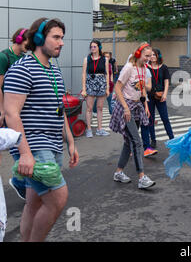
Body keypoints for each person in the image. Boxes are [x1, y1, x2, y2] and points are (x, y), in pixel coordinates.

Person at [3, 17, 79, 242]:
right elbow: (11, 114)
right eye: (56, 37)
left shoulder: (53, 71)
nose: (61, 42)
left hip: (53, 143)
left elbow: (59, 109)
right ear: (38, 38)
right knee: (58, 197)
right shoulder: (22, 68)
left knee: (34, 201)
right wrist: (25, 153)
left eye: (62, 38)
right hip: (34, 145)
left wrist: (71, 141)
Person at [109, 43, 156, 190]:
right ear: (138, 54)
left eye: (150, 56)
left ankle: (118, 172)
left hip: (137, 106)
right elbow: (117, 87)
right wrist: (125, 108)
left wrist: (145, 105)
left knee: (129, 143)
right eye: (146, 56)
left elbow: (142, 89)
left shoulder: (143, 69)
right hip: (126, 107)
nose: (149, 59)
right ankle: (142, 177)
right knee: (137, 141)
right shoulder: (129, 68)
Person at [0, 27, 29, 201]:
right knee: (12, 144)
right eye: (27, 43)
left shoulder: (24, 57)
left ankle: (20, 181)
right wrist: (2, 110)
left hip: (19, 109)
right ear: (19, 39)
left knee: (18, 143)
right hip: (5, 108)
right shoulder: (4, 57)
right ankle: (19, 182)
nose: (29, 47)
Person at [81, 40, 110, 137]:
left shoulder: (105, 59)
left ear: (99, 47)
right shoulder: (87, 59)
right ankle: (89, 129)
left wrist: (107, 88)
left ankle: (99, 129)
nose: (92, 48)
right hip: (90, 83)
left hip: (101, 83)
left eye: (94, 46)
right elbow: (84, 74)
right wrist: (84, 89)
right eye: (91, 47)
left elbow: (107, 74)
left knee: (100, 108)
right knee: (89, 108)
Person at [146, 48, 174, 149]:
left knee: (165, 118)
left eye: (154, 55)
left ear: (158, 56)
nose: (152, 57)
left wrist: (165, 94)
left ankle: (172, 138)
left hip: (161, 96)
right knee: (150, 119)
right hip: (149, 96)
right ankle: (153, 140)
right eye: (151, 55)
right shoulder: (146, 67)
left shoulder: (164, 67)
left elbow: (166, 82)